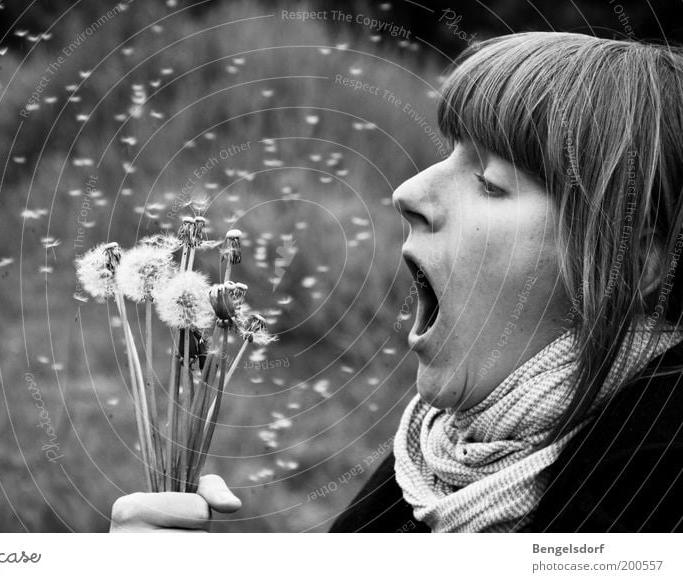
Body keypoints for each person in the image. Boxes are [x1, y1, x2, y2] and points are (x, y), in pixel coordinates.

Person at [109, 31, 683, 533]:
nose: (407, 192)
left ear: (632, 261)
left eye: (489, 180)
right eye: (448, 155)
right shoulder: (429, 462)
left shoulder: (658, 475)